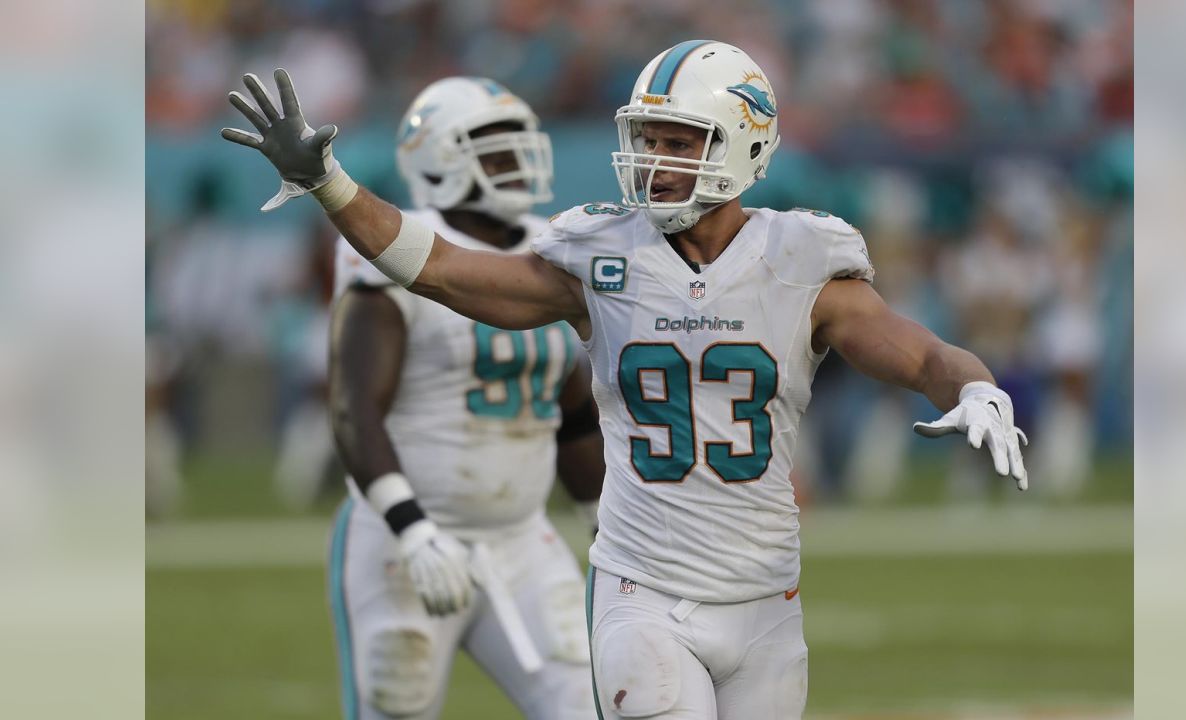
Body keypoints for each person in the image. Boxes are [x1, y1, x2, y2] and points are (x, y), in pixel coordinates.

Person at [223, 40, 1028, 720]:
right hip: (643, 591)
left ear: (742, 144)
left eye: (681, 141)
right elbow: (442, 271)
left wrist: (974, 387)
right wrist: (330, 184)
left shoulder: (801, 259)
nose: (657, 160)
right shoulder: (601, 254)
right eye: (650, 137)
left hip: (769, 603)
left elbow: (919, 352)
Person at [323, 77, 604, 720]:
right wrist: (412, 529)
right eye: (496, 149)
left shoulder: (556, 248)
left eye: (522, 145)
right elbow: (353, 407)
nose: (521, 162)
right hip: (405, 544)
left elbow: (573, 417)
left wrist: (604, 525)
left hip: (521, 539)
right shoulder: (395, 247)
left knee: (597, 706)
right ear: (439, 159)